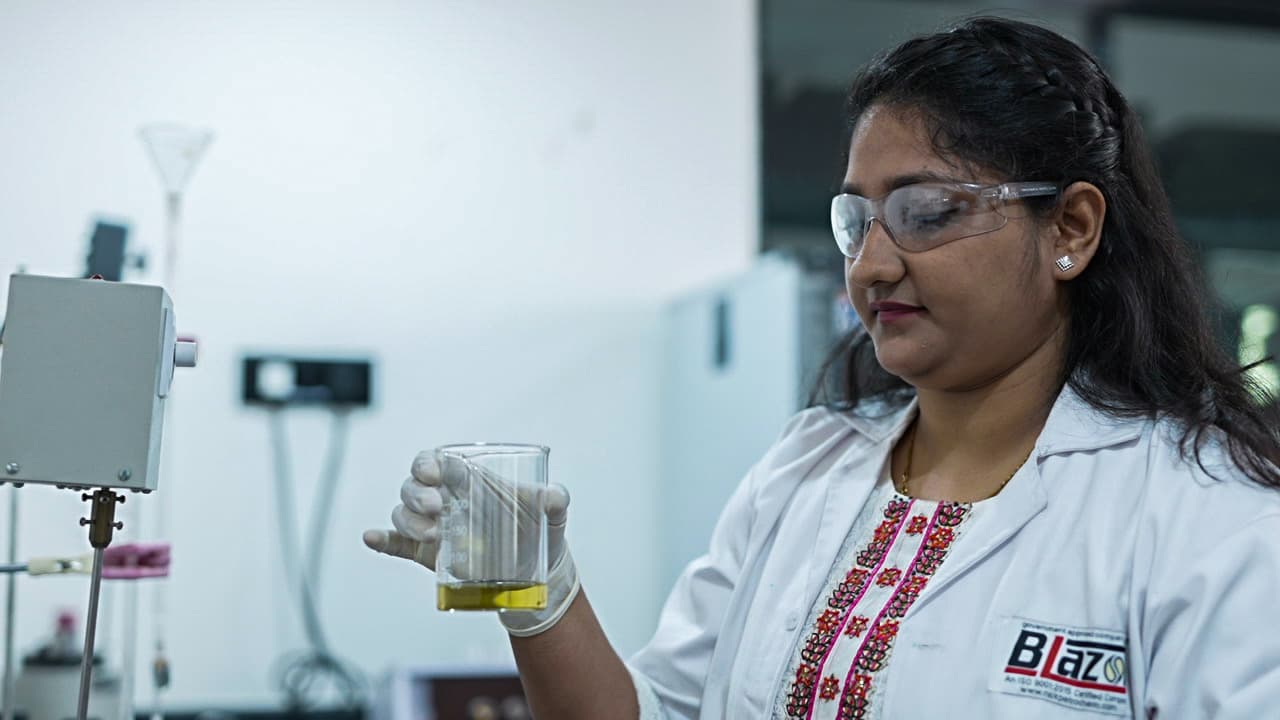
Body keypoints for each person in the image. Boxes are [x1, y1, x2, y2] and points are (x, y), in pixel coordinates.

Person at [364, 16, 1280, 719]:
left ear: (1071, 230)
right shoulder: (808, 470)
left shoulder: (1204, 519)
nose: (873, 264)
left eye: (926, 212)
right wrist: (533, 587)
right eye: (858, 221)